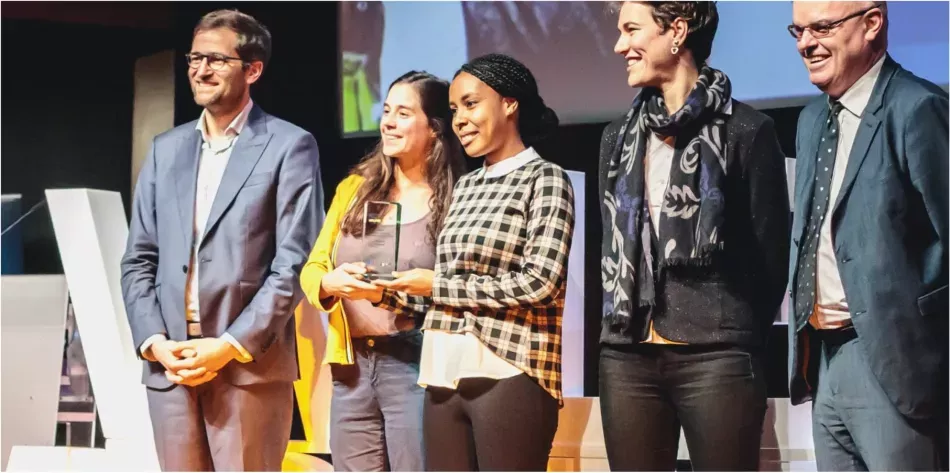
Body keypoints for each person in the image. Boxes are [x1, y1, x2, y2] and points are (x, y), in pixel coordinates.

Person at [120, 9, 322, 471]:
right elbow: (138, 259)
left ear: (253, 70)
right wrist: (154, 341)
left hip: (245, 367)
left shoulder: (290, 145)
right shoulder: (165, 149)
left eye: (216, 59)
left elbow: (293, 264)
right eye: (195, 58)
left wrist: (228, 344)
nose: (200, 70)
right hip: (171, 365)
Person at [598, 2, 790, 470]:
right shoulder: (616, 138)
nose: (620, 45)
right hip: (627, 354)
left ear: (676, 31)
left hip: (717, 356)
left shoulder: (748, 131)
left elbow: (771, 260)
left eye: (631, 30)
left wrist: (731, 332)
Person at [374, 53, 575, 471]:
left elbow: (540, 283)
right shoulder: (465, 185)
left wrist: (436, 285)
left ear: (509, 104)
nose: (460, 119)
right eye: (453, 110)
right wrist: (384, 291)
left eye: (471, 104)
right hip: (442, 369)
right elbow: (446, 293)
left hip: (510, 368)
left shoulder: (545, 178)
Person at [787, 2, 948, 470]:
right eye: (797, 30)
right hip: (823, 356)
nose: (805, 43)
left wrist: (927, 350)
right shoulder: (811, 120)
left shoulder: (917, 108)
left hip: (895, 360)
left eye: (821, 27)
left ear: (872, 23)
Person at [299, 70, 464, 471]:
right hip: (351, 367)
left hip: (414, 363)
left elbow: (460, 288)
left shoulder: (458, 196)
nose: (387, 121)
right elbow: (313, 265)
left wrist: (389, 294)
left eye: (403, 113)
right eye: (386, 110)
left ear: (435, 128)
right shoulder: (354, 189)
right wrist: (327, 283)